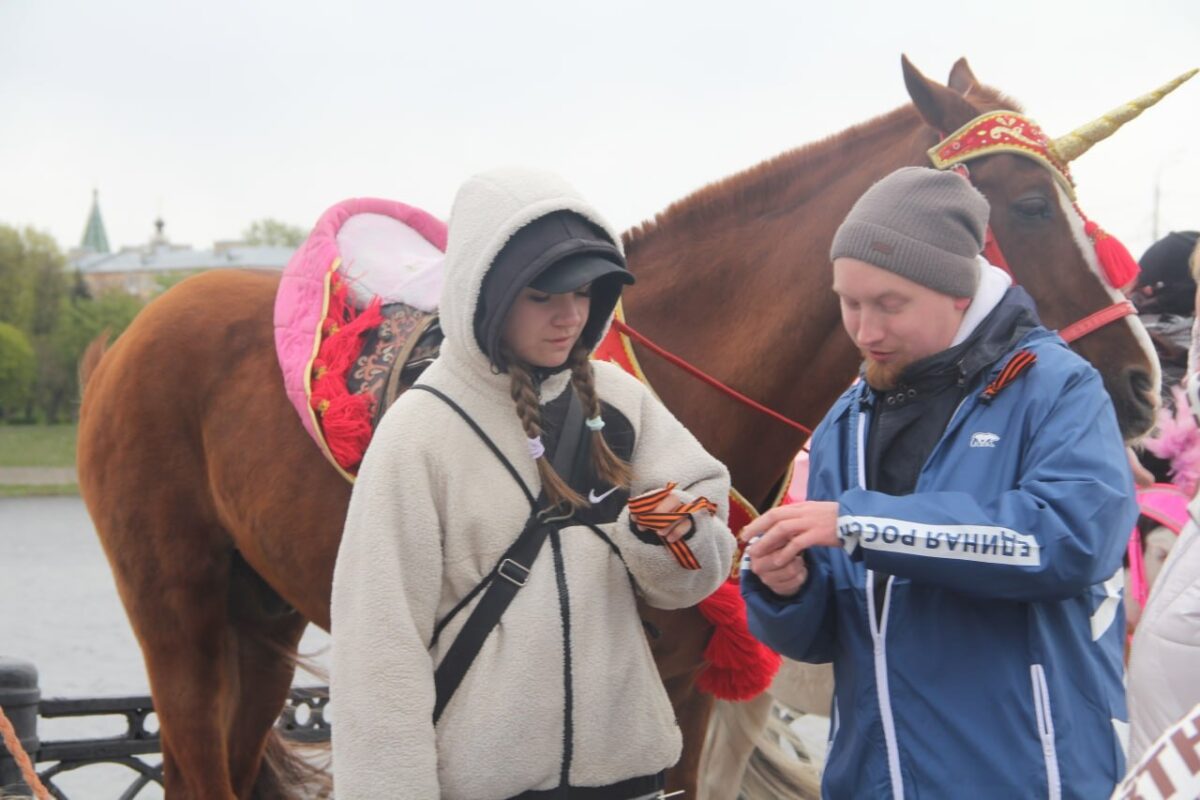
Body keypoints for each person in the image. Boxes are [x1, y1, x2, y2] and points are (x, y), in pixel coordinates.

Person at [330, 167, 735, 799]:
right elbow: (378, 653)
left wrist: (675, 534)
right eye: (545, 295)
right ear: (486, 292)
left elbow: (691, 581)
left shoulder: (622, 401)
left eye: (585, 293)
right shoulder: (419, 433)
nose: (570, 317)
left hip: (630, 781)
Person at [740, 167, 1138, 799]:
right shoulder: (849, 416)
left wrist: (862, 526)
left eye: (889, 304)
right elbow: (829, 640)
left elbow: (1071, 538)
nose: (866, 332)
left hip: (1026, 777)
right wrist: (789, 590)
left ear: (958, 291)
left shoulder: (1058, 386)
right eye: (849, 303)